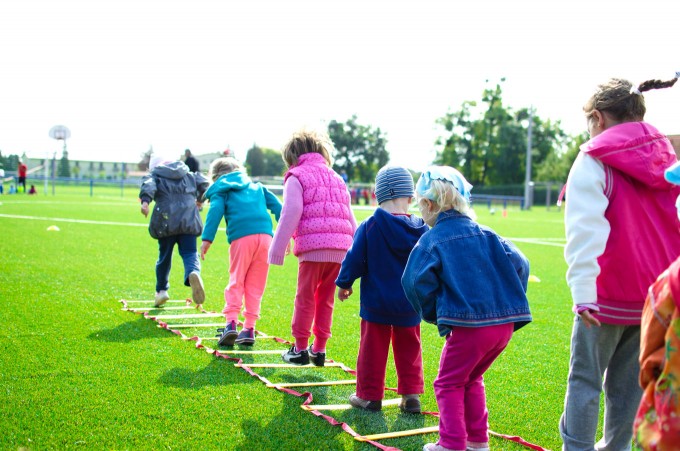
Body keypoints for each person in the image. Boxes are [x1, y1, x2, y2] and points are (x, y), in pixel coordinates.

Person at [560, 74, 680, 451]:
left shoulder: (594, 158)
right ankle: (617, 447)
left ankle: (577, 447)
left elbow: (585, 232)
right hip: (655, 298)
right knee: (630, 384)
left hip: (605, 293)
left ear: (598, 118)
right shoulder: (668, 157)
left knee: (585, 380)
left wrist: (583, 293)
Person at [402, 166, 531, 451]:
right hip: (503, 328)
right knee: (472, 379)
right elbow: (522, 264)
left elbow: (412, 281)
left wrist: (435, 313)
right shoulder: (488, 233)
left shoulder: (432, 239)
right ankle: (477, 442)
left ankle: (451, 444)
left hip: (470, 329)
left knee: (447, 383)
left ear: (429, 204)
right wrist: (509, 301)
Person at [336, 165, 428, 413]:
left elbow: (354, 258)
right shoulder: (422, 229)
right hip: (410, 303)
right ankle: (411, 396)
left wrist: (344, 283)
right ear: (410, 198)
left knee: (372, 349)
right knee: (410, 348)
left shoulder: (370, 225)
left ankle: (369, 395)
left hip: (376, 302)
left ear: (377, 195)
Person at [268, 129, 357, 366]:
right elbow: (350, 217)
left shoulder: (296, 176)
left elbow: (291, 212)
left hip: (313, 249)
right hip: (341, 249)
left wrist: (278, 246)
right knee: (325, 299)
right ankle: (319, 349)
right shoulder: (337, 178)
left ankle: (299, 349)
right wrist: (357, 253)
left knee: (305, 298)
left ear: (292, 156)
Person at [201, 157, 282, 346]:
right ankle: (249, 329)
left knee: (237, 280)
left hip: (242, 237)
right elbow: (280, 208)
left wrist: (207, 239)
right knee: (256, 285)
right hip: (266, 238)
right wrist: (286, 235)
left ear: (215, 176)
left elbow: (215, 211)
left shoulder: (222, 189)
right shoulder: (257, 187)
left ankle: (230, 324)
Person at [139, 154, 209, 307]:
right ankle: (193, 272)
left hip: (166, 221)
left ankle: (161, 291)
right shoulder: (188, 174)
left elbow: (149, 185)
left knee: (164, 257)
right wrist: (199, 200)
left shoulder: (156, 175)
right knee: (190, 253)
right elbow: (205, 184)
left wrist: (145, 202)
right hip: (189, 220)